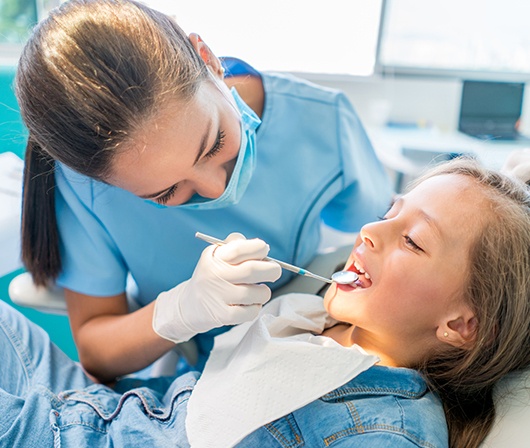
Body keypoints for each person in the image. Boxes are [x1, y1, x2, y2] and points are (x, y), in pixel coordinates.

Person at [2, 157, 530, 448]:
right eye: (390, 211)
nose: (370, 230)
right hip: (91, 408)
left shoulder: (387, 433)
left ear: (462, 325)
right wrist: (184, 307)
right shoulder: (316, 323)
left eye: (413, 241)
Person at [14, 0, 393, 382]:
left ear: (207, 58)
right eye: (165, 192)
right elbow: (97, 351)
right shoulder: (82, 188)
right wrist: (180, 312)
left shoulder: (322, 118)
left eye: (215, 144)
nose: (216, 189)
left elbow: (381, 240)